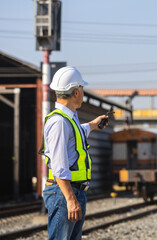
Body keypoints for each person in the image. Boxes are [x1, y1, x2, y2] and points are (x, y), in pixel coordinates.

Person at [39, 66, 109, 240]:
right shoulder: (59, 123)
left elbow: (77, 133)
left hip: (73, 191)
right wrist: (70, 199)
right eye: (82, 89)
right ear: (76, 92)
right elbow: (59, 167)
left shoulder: (70, 119)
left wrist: (93, 124)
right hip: (64, 193)